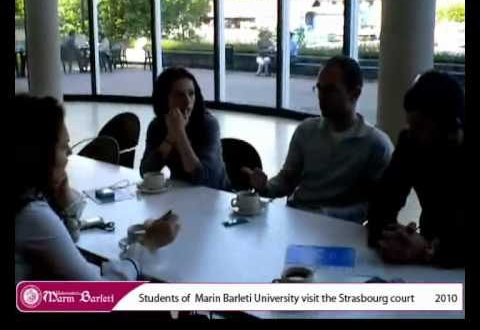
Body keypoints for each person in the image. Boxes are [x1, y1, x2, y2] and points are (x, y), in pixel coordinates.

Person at [14, 94, 180, 283]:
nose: (70, 153)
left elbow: (65, 244)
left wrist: (65, 198)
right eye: (63, 146)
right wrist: (146, 244)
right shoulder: (31, 215)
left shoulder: (25, 199)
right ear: (40, 154)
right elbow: (101, 296)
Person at [243, 56, 393, 224]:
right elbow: (287, 179)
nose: (321, 97)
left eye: (330, 90)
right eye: (319, 89)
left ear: (355, 93)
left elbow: (374, 206)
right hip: (299, 219)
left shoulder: (376, 145)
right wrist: (265, 187)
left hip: (340, 229)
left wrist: (328, 215)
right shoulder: (306, 130)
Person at [367, 71, 465, 268]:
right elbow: (383, 201)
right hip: (427, 257)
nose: (411, 132)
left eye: (420, 127)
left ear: (451, 130)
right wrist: (392, 237)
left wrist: (428, 250)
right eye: (410, 124)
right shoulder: (410, 141)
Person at [140, 67, 230, 191]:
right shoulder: (157, 126)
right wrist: (170, 138)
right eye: (179, 95)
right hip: (180, 194)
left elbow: (202, 178)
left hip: (215, 196)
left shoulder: (208, 124)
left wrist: (179, 133)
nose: (188, 102)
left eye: (191, 94)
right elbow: (145, 172)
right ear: (164, 99)